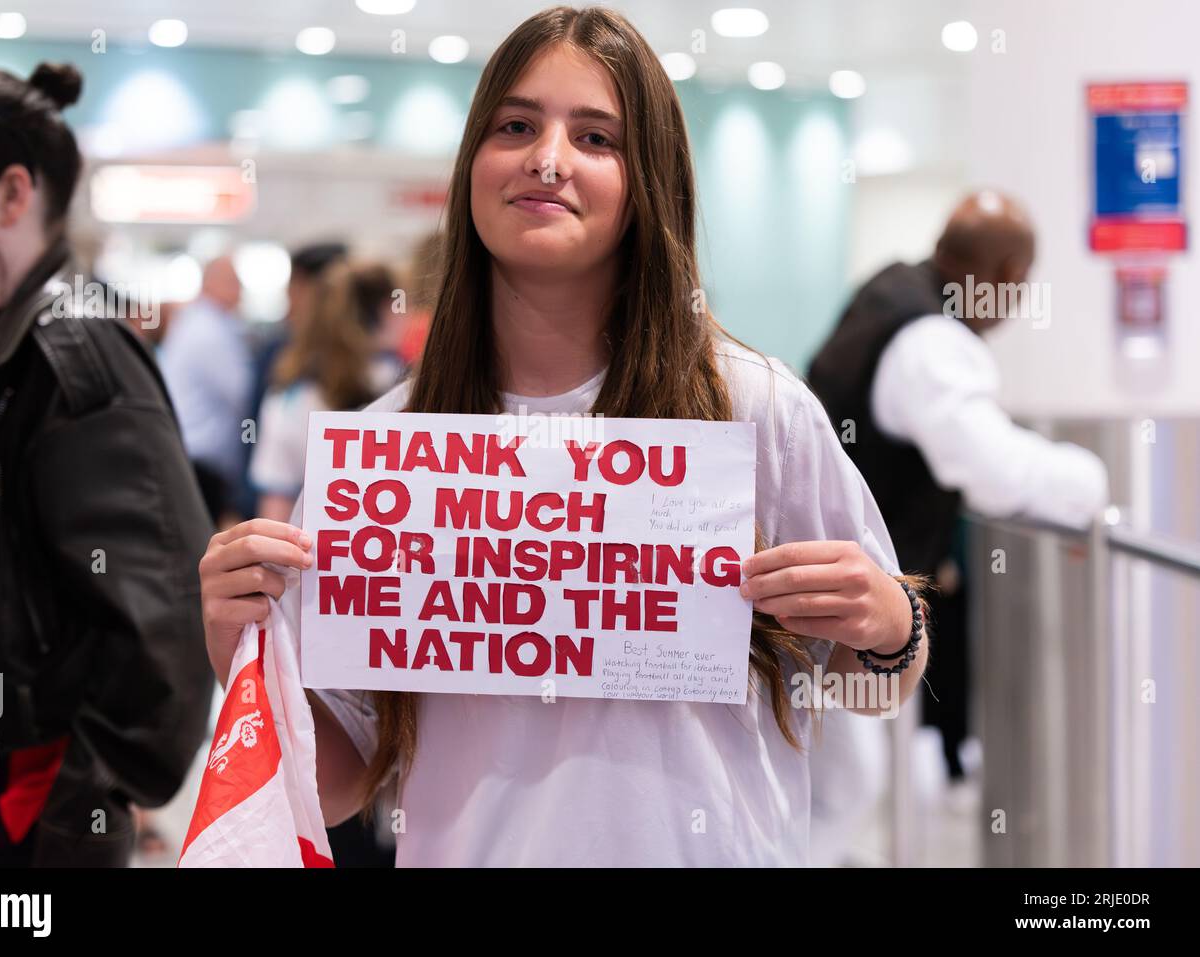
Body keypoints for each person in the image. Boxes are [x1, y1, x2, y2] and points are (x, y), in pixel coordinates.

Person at [199, 5, 929, 867]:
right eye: (515, 126)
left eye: (596, 138)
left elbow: (873, 684)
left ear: (651, 180)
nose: (547, 160)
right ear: (474, 159)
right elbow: (339, 783)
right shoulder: (388, 449)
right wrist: (232, 646)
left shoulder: (753, 409)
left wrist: (888, 622)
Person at [0, 61, 214, 866]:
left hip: (20, 826)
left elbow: (162, 634)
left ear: (10, 194)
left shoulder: (74, 350)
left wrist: (77, 820)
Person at [807, 190, 1108, 791]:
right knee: (841, 786)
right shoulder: (933, 342)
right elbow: (995, 473)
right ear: (1009, 276)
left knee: (836, 783)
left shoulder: (888, 289)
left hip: (822, 592)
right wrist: (1092, 483)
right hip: (839, 609)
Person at [250, 259, 405, 525]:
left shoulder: (289, 397)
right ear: (384, 311)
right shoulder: (402, 389)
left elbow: (275, 509)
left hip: (312, 556)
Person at [159, 255, 253, 525]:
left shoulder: (196, 323)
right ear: (213, 283)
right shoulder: (210, 330)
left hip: (188, 454)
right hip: (200, 462)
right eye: (234, 282)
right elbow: (242, 393)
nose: (240, 291)